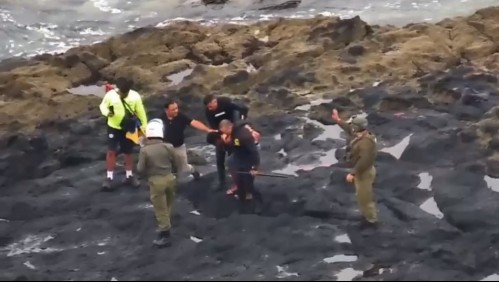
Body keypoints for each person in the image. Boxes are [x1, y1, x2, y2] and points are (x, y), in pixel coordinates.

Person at [137, 119, 181, 248]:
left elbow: (140, 169)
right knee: (168, 204)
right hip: (170, 177)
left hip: (156, 181)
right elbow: (176, 163)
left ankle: (165, 234)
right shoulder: (169, 146)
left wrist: (146, 176)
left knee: (160, 208)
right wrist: (175, 174)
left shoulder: (145, 150)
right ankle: (165, 226)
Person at [99, 77, 148, 191]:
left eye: (125, 93)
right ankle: (109, 177)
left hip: (128, 127)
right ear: (118, 89)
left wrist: (144, 128)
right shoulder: (110, 95)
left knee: (128, 151)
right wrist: (107, 113)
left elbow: (141, 111)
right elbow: (102, 106)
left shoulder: (135, 96)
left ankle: (129, 175)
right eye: (122, 93)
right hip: (113, 127)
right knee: (111, 151)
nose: (124, 95)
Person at [332, 109, 378, 228]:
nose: (351, 127)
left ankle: (372, 220)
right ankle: (366, 216)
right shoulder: (359, 134)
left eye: (353, 125)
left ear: (357, 127)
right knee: (360, 196)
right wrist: (338, 120)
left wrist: (353, 173)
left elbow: (365, 160)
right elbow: (348, 128)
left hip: (365, 173)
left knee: (365, 198)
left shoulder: (366, 143)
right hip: (361, 172)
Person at [204, 94, 260, 192]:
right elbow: (212, 126)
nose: (210, 108)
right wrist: (221, 134)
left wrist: (239, 126)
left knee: (233, 158)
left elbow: (243, 109)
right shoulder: (208, 111)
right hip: (221, 132)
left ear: (215, 101)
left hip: (233, 130)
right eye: (208, 107)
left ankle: (237, 184)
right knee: (219, 156)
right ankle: (222, 181)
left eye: (211, 106)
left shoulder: (225, 102)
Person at [160, 99, 216, 180]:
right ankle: (175, 183)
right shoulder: (160, 119)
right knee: (169, 167)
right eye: (173, 109)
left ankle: (193, 171)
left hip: (179, 146)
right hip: (165, 147)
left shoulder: (181, 116)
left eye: (177, 108)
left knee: (184, 167)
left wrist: (207, 130)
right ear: (166, 110)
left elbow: (194, 123)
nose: (176, 111)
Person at [218, 119, 263, 213]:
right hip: (238, 156)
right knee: (236, 174)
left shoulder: (243, 136)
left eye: (225, 132)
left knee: (248, 181)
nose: (225, 134)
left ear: (229, 127)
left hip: (249, 157)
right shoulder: (233, 133)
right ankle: (240, 191)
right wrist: (226, 141)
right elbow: (233, 144)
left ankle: (258, 201)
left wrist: (254, 167)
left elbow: (254, 152)